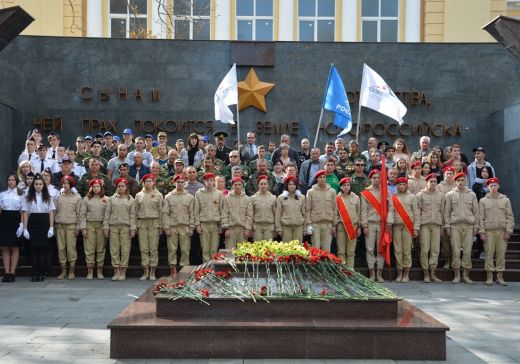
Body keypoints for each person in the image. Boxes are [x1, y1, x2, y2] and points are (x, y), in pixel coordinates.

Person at [443, 173, 479, 284]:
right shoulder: (449, 195)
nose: (460, 182)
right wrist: (447, 226)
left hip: (468, 226)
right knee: (456, 250)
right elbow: (446, 212)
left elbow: (476, 212)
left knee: (467, 251)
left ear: (466, 181)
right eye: (458, 181)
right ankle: (457, 274)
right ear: (455, 182)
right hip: (455, 226)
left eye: (462, 180)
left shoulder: (472, 195)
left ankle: (466, 275)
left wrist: (476, 226)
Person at [478, 178, 514, 286]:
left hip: (501, 232)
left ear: (498, 186)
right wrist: (482, 232)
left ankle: (500, 276)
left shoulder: (505, 200)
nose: (493, 188)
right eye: (491, 186)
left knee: (501, 255)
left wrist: (508, 231)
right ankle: (489, 276)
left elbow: (510, 216)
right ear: (488, 187)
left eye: (495, 185)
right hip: (489, 232)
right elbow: (481, 218)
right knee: (488, 254)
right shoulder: (483, 201)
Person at [22, 173, 55, 282]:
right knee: (33, 249)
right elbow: (25, 213)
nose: (38, 186)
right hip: (33, 223)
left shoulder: (48, 197)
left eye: (40, 184)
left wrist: (51, 227)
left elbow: (51, 212)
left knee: (42, 249)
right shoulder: (29, 197)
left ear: (43, 185)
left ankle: (41, 273)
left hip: (44, 223)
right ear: (33, 185)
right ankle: (34, 272)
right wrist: (25, 228)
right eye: (36, 184)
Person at [387, 177, 419, 283]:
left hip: (408, 226)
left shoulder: (412, 197)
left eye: (403, 184)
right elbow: (391, 211)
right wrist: (389, 225)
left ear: (406, 185)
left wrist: (416, 228)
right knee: (398, 250)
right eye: (399, 185)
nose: (401, 186)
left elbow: (416, 213)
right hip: (396, 226)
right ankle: (399, 272)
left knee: (406, 250)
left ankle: (406, 273)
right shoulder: (393, 197)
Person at [103, 177, 136, 281]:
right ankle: (116, 270)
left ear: (126, 187)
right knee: (114, 249)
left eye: (123, 186)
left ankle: (123, 270)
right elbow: (107, 214)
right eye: (119, 186)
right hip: (113, 226)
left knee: (125, 249)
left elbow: (133, 215)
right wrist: (106, 227)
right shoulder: (111, 199)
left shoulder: (131, 200)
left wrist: (133, 228)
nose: (121, 188)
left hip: (126, 227)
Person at [162, 174, 194, 277]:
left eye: (182, 182)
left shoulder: (190, 197)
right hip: (173, 227)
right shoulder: (169, 197)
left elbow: (192, 213)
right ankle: (173, 270)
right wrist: (166, 227)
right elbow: (165, 213)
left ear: (185, 183)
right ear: (174, 183)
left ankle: (184, 270)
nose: (180, 184)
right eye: (178, 182)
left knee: (185, 249)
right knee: (172, 249)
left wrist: (191, 227)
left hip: (185, 226)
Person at [416, 173, 444, 283]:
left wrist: (442, 226)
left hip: (436, 224)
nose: (433, 183)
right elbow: (417, 212)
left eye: (434, 182)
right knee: (425, 249)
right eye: (431, 181)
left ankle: (433, 272)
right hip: (424, 225)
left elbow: (442, 211)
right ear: (426, 182)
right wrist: (417, 227)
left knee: (435, 250)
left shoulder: (441, 195)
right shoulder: (420, 195)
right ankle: (426, 273)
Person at [134, 174, 163, 281]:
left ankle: (152, 272)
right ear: (143, 183)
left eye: (150, 181)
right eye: (146, 181)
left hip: (154, 223)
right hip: (142, 223)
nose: (148, 183)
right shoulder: (138, 195)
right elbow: (135, 212)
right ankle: (145, 271)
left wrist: (161, 226)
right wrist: (135, 225)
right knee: (144, 248)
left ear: (153, 182)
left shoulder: (158, 195)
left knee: (153, 248)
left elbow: (161, 211)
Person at [360, 169, 386, 282]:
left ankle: (379, 273)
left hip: (382, 224)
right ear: (370, 179)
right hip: (370, 224)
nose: (376, 180)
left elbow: (389, 208)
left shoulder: (385, 191)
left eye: (378, 177)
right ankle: (372, 273)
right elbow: (363, 211)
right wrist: (364, 225)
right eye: (374, 178)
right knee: (370, 248)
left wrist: (388, 223)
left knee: (381, 249)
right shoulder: (366, 193)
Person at [54, 175, 82, 280]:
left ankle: (71, 270)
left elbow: (79, 214)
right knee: (61, 248)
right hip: (60, 225)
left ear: (71, 185)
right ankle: (63, 271)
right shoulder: (58, 197)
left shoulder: (77, 197)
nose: (65, 185)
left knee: (71, 249)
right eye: (64, 183)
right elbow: (55, 211)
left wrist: (78, 227)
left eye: (67, 183)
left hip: (71, 225)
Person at [79, 179, 108, 280]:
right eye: (94, 187)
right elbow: (82, 215)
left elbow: (108, 215)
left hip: (101, 225)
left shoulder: (106, 199)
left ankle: (99, 271)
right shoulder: (86, 199)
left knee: (101, 248)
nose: (96, 188)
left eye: (98, 186)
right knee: (89, 249)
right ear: (91, 188)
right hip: (89, 225)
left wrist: (106, 227)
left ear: (101, 188)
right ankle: (90, 271)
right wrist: (83, 228)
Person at [194, 173, 224, 262]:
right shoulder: (199, 194)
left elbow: (222, 211)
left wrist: (220, 226)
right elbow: (196, 211)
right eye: (207, 180)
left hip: (215, 224)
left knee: (214, 249)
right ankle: (207, 270)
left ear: (214, 181)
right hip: (204, 224)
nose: (210, 182)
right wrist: (198, 225)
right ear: (204, 182)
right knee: (205, 249)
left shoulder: (219, 194)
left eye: (211, 180)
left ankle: (214, 269)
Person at [305, 170, 337, 252]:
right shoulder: (310, 192)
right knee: (315, 249)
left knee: (327, 250)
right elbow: (308, 209)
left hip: (328, 224)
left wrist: (334, 224)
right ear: (317, 179)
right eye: (320, 177)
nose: (322, 179)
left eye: (324, 177)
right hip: (315, 224)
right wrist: (308, 224)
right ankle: (315, 265)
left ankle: (326, 265)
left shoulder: (332, 192)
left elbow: (335, 209)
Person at [0, 173, 24, 282]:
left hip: (16, 219)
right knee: (5, 247)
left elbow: (23, 211)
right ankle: (6, 272)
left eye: (13, 180)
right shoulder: (2, 194)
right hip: (4, 219)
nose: (11, 182)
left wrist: (22, 224)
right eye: (9, 180)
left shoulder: (21, 194)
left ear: (16, 182)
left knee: (14, 247)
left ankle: (13, 272)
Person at [335, 177, 361, 268]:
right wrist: (334, 226)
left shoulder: (356, 198)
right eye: (344, 185)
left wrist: (359, 227)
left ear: (350, 186)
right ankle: (342, 272)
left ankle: (350, 272)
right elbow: (335, 213)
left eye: (348, 185)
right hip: (341, 227)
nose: (346, 187)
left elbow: (359, 213)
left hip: (353, 227)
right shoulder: (337, 198)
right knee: (341, 251)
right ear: (341, 187)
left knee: (351, 252)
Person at [221, 177, 252, 249]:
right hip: (231, 229)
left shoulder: (247, 199)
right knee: (230, 252)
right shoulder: (227, 199)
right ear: (232, 186)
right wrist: (226, 228)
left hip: (243, 229)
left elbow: (249, 215)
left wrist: (247, 229)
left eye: (239, 184)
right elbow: (224, 214)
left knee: (243, 253)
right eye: (235, 185)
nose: (237, 186)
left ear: (242, 185)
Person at [275, 176, 306, 243]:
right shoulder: (281, 198)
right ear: (287, 186)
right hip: (286, 227)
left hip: (298, 227)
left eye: (294, 184)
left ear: (296, 186)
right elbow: (278, 214)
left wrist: (305, 228)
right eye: (290, 184)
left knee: (298, 250)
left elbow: (305, 214)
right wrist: (278, 228)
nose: (292, 186)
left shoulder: (302, 197)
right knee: (287, 250)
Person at [247, 175, 277, 241]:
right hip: (257, 227)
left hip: (269, 227)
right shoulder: (252, 198)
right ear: (258, 185)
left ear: (268, 185)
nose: (263, 186)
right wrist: (250, 228)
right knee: (257, 248)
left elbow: (276, 214)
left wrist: (276, 227)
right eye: (261, 184)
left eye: (265, 184)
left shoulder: (273, 198)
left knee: (268, 249)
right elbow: (250, 215)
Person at [437, 166, 456, 269]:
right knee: (445, 242)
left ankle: (455, 260)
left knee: (455, 242)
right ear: (444, 175)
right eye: (447, 174)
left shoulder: (457, 185)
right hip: (444, 217)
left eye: (451, 173)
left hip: (455, 218)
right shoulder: (439, 186)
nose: (449, 175)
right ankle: (447, 260)